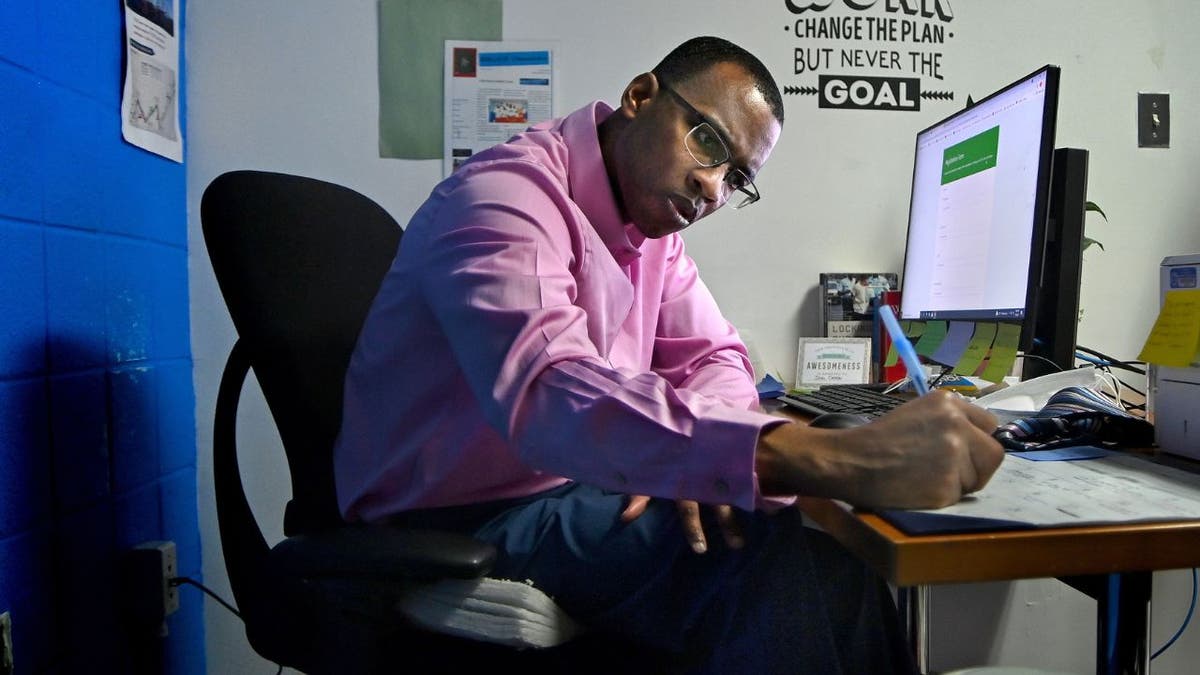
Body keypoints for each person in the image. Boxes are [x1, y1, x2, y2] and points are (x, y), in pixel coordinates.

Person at [334, 35, 1003, 673]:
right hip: (463, 516)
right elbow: (550, 391)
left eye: (736, 176)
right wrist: (825, 457)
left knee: (823, 555)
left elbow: (716, 354)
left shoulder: (652, 229)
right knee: (760, 543)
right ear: (640, 95)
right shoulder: (502, 200)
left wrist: (696, 457)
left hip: (571, 485)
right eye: (707, 142)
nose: (713, 188)